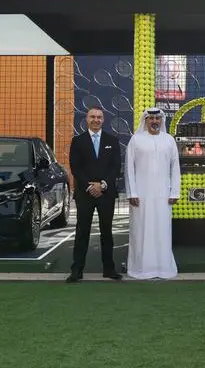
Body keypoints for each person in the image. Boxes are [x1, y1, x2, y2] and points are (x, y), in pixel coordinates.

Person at [66, 106, 122, 282]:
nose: (96, 120)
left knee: (107, 232)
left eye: (99, 117)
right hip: (85, 193)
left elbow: (115, 167)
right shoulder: (77, 141)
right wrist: (90, 186)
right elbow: (75, 167)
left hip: (106, 193)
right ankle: (77, 270)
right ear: (87, 119)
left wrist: (103, 185)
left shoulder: (112, 141)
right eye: (93, 117)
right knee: (82, 231)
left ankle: (109, 269)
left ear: (103, 120)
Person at [125, 107, 181, 280]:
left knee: (162, 230)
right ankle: (141, 268)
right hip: (141, 195)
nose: (154, 121)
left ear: (161, 120)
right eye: (151, 118)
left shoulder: (169, 140)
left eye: (157, 119)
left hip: (163, 195)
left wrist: (174, 192)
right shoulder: (136, 140)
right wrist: (132, 192)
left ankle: (163, 267)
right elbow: (129, 168)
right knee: (141, 230)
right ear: (146, 120)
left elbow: (175, 168)